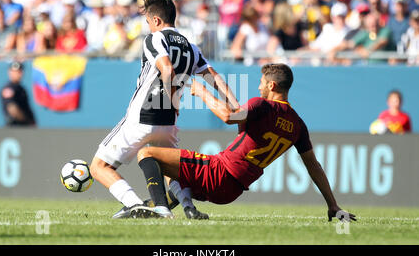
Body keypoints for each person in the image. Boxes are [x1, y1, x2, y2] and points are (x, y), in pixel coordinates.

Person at [132, 63, 357, 223]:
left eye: (261, 83)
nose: (258, 87)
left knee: (147, 154)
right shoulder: (298, 125)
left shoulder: (262, 105)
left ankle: (161, 207)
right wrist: (332, 205)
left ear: (272, 86)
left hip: (219, 171)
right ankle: (182, 207)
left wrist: (202, 92)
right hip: (232, 191)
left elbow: (229, 117)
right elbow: (313, 166)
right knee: (175, 169)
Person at [89, 0, 240, 220]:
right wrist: (235, 105)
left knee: (98, 166)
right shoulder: (191, 47)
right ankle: (188, 206)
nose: (148, 27)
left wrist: (171, 98)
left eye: (148, 22)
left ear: (157, 21)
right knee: (169, 166)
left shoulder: (154, 38)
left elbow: (166, 69)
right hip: (168, 121)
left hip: (143, 114)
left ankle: (134, 203)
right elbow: (214, 77)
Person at [0, 61, 36, 127]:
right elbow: (12, 108)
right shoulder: (9, 88)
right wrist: (26, 121)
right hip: (15, 126)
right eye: (14, 71)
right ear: (9, 72)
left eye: (19, 71)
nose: (17, 74)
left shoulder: (21, 88)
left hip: (24, 127)